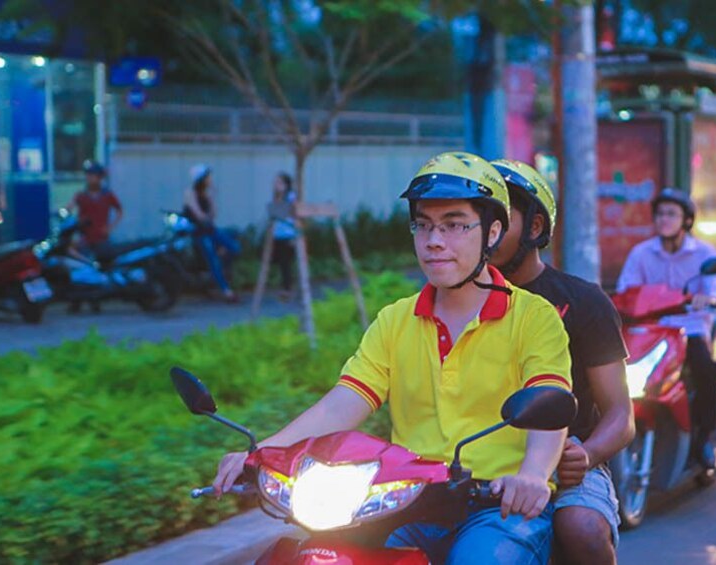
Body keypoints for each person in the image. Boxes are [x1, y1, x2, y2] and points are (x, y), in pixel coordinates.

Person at [212, 152, 573, 564]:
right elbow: (344, 403)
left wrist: (532, 474)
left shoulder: (533, 317)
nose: (434, 240)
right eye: (423, 225)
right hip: (408, 501)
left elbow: (549, 401)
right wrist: (262, 454)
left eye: (454, 225)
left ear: (492, 232)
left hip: (500, 507)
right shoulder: (395, 320)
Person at [489, 159, 632, 565]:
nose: (486, 232)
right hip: (472, 460)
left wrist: (585, 455)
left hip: (566, 463)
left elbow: (621, 412)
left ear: (534, 228)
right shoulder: (451, 299)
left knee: (582, 528)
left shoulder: (583, 301)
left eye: (499, 219)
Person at [615, 188, 716, 470]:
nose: (664, 219)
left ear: (686, 220)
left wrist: (708, 299)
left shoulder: (704, 253)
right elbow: (626, 290)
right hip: (653, 330)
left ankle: (706, 437)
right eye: (660, 214)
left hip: (690, 330)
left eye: (672, 214)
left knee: (705, 368)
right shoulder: (641, 253)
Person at [183, 164, 240, 302]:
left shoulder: (206, 194)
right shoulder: (190, 193)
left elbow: (213, 215)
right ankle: (226, 291)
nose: (210, 179)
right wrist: (207, 216)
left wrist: (212, 197)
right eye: (208, 177)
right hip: (199, 232)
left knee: (235, 247)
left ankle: (219, 267)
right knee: (212, 260)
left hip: (210, 229)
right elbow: (200, 216)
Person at [67, 161, 122, 254]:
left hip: (101, 238)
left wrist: (110, 227)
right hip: (85, 239)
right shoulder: (81, 195)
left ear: (99, 177)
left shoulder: (107, 195)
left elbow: (119, 211)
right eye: (88, 175)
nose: (89, 178)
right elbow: (69, 208)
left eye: (92, 175)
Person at [269, 172, 297, 302]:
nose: (276, 185)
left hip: (288, 234)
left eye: (279, 183)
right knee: (279, 261)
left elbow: (283, 213)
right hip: (277, 234)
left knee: (286, 262)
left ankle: (287, 288)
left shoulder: (291, 197)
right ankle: (284, 286)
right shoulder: (276, 197)